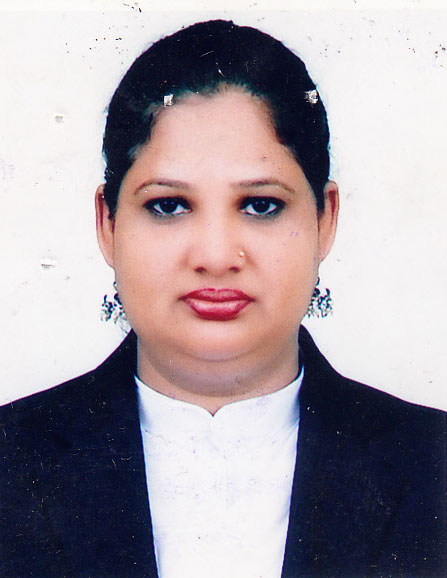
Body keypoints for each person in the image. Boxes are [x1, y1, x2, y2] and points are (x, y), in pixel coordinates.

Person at [0, 19, 445, 578]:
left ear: (325, 219)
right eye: (168, 205)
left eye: (261, 205)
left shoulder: (432, 466)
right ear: (107, 223)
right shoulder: (12, 463)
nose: (215, 256)